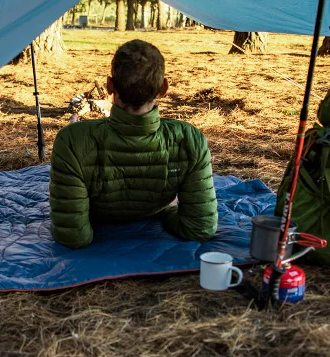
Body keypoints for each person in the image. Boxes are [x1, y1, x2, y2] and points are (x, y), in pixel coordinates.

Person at [49, 39, 218, 249]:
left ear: (110, 86)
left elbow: (72, 236)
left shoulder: (72, 141)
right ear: (163, 88)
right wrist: (166, 212)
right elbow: (200, 228)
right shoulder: (190, 139)